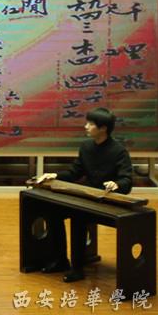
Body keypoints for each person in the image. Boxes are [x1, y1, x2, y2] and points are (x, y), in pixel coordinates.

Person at [33, 106, 133, 282]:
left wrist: (116, 184)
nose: (86, 126)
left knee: (78, 217)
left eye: (91, 124)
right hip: (88, 197)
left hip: (107, 200)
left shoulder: (119, 151)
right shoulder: (86, 147)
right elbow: (74, 173)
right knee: (53, 212)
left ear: (103, 128)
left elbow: (127, 180)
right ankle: (60, 260)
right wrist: (55, 175)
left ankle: (77, 268)